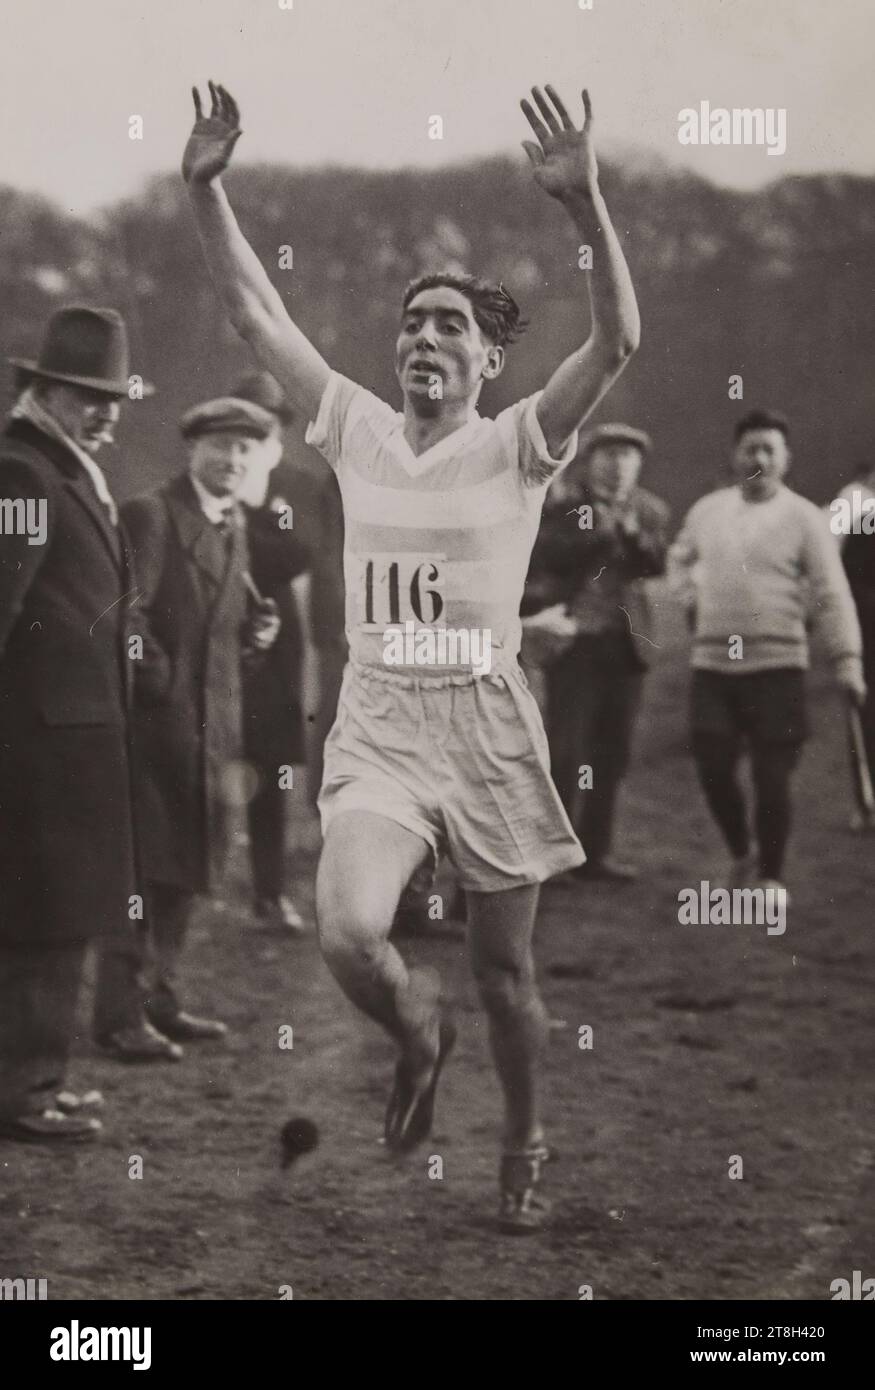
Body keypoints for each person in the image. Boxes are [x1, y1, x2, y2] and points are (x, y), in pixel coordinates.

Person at [181, 79, 639, 1231]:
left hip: (483, 722)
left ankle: (524, 1137)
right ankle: (411, 1025)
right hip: (381, 718)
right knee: (344, 928)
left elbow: (618, 338)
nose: (423, 335)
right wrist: (207, 190)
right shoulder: (351, 426)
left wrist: (584, 206)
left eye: (451, 325)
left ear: (488, 361)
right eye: (411, 320)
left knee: (505, 976)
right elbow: (253, 313)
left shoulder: (521, 446)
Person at [93, 395, 280, 1058]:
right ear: (191, 449)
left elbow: (226, 623)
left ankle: (158, 1000)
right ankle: (119, 1017)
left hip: (214, 732)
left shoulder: (231, 523)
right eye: (219, 447)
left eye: (243, 450)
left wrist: (258, 634)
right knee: (145, 872)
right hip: (155, 731)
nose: (231, 460)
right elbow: (124, 618)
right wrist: (162, 686)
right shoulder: (151, 514)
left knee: (188, 866)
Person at [0, 305, 145, 1141]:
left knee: (57, 919)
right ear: (43, 390)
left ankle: (38, 1079)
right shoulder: (22, 476)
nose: (107, 411)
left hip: (71, 747)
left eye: (114, 396)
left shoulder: (63, 469)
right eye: (88, 394)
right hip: (37, 750)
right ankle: (24, 1094)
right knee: (40, 923)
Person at [670, 409, 865, 894]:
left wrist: (848, 660)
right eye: (750, 448)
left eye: (769, 449)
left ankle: (771, 878)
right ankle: (742, 852)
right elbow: (679, 556)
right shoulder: (707, 511)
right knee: (713, 767)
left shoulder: (805, 518)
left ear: (785, 459)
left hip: (778, 666)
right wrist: (687, 593)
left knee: (772, 776)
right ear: (735, 456)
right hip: (713, 665)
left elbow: (831, 591)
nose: (758, 457)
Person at [523, 424, 669, 880]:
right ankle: (555, 853)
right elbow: (546, 553)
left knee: (613, 751)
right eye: (609, 454)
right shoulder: (564, 504)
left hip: (626, 645)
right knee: (566, 749)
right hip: (575, 640)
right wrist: (601, 534)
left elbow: (657, 561)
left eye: (628, 456)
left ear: (639, 465)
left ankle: (596, 852)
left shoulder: (649, 509)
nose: (618, 464)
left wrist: (631, 534)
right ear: (591, 460)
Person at [232, 371, 314, 932]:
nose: (256, 434)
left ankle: (268, 892)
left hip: (275, 636)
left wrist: (238, 526)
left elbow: (295, 554)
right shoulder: (211, 474)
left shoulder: (292, 484)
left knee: (269, 765)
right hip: (212, 632)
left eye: (267, 424)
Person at [826, 465, 875, 830]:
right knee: (866, 713)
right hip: (866, 623)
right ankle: (867, 801)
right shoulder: (859, 507)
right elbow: (844, 571)